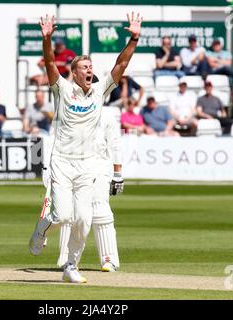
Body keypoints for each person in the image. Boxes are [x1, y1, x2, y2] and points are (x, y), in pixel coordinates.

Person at [29, 12, 142, 283]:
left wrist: (134, 38)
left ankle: (71, 266)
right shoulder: (63, 89)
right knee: (62, 215)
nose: (90, 70)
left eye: (91, 67)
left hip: (87, 164)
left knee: (83, 219)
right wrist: (47, 39)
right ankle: (41, 229)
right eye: (84, 67)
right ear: (74, 71)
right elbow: (48, 63)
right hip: (62, 162)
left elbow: (122, 63)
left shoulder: (101, 90)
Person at [52, 107, 122, 272]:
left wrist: (118, 174)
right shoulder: (66, 111)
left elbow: (115, 144)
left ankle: (109, 259)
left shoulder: (106, 115)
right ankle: (67, 259)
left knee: (100, 209)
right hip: (71, 166)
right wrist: (49, 170)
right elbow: (55, 140)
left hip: (99, 166)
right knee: (69, 212)